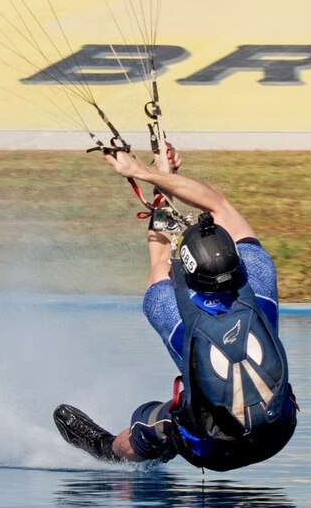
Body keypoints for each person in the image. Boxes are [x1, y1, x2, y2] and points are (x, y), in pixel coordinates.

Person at [54, 146, 296, 472]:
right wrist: (155, 174)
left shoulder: (172, 311)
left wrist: (157, 182)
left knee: (150, 418)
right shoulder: (260, 276)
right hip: (279, 433)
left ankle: (107, 449)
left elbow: (158, 255)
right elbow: (218, 204)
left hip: (212, 451)